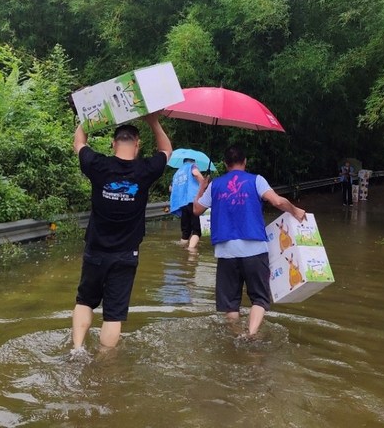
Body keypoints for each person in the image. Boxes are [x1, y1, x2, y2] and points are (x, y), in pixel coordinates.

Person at [71, 112, 172, 352]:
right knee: (113, 314)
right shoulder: (146, 170)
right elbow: (167, 151)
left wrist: (90, 116)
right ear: (137, 144)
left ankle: (77, 350)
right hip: (126, 254)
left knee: (85, 300)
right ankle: (105, 364)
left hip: (95, 250)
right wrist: (153, 121)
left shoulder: (98, 165)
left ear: (113, 143)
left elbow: (79, 143)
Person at [193, 145, 306, 337]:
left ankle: (237, 335)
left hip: (225, 252)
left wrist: (202, 188)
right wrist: (295, 211)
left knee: (230, 303)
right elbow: (277, 202)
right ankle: (251, 334)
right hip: (255, 250)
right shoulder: (256, 180)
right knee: (260, 299)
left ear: (225, 164)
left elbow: (196, 210)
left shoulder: (215, 185)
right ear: (245, 161)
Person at [169, 158, 204, 250]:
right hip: (193, 201)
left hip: (182, 203)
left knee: (186, 231)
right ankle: (191, 251)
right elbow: (196, 173)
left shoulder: (177, 173)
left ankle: (182, 247)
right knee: (197, 230)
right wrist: (204, 184)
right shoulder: (192, 166)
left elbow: (171, 189)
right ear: (193, 161)